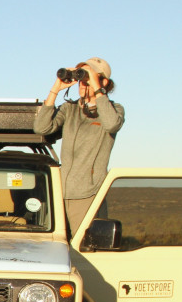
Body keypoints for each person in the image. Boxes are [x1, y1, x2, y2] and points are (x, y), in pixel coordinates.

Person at [34, 57, 125, 237]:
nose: (83, 84)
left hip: (87, 192)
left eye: (87, 79)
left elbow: (111, 125)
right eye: (81, 80)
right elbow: (41, 128)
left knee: (81, 247)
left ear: (104, 81)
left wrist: (97, 89)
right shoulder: (70, 109)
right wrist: (56, 89)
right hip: (60, 191)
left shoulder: (114, 110)